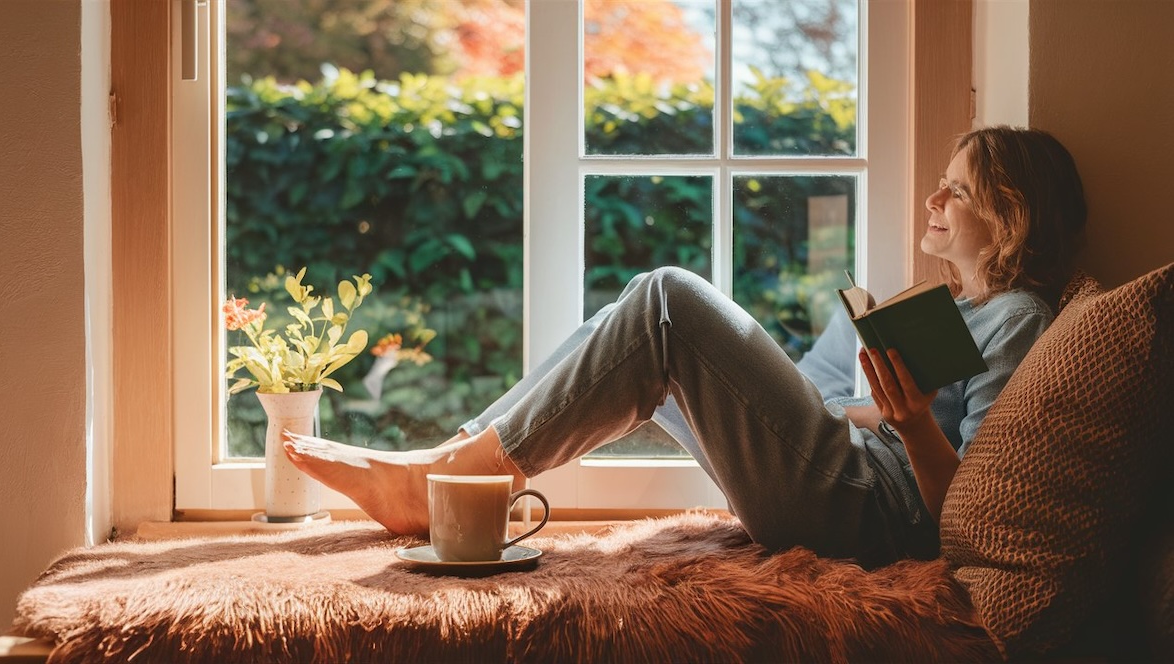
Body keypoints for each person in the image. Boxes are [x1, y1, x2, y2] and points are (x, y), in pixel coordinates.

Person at [284, 126, 1087, 568]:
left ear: (1010, 215)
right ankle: (451, 467)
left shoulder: (1017, 317)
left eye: (957, 189)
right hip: (838, 467)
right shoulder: (955, 307)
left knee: (668, 297)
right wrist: (869, 404)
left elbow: (972, 517)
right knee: (629, 317)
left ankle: (445, 484)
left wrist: (906, 423)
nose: (932, 196)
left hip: (864, 508)